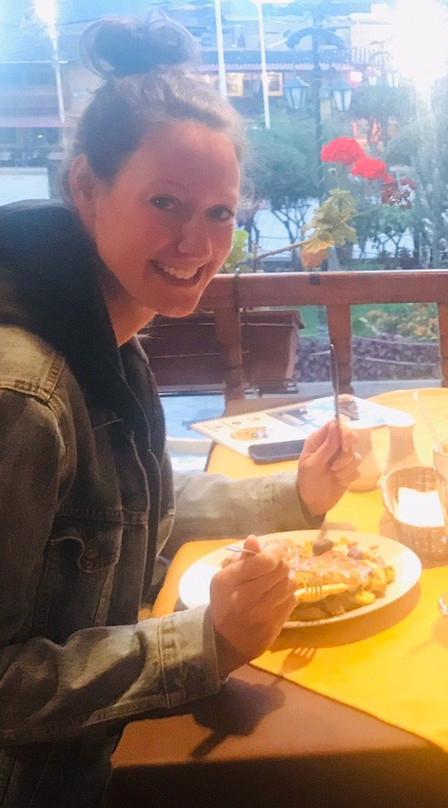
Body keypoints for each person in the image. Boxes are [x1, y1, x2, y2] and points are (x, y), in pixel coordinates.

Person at [0, 17, 363, 807]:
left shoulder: (104, 335)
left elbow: (134, 510)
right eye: (166, 203)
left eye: (219, 214)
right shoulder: (23, 397)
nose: (196, 244)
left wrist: (297, 495)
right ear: (86, 189)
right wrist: (203, 642)